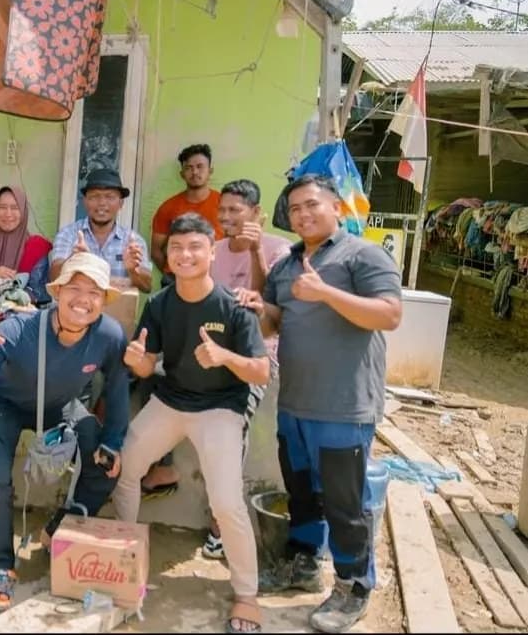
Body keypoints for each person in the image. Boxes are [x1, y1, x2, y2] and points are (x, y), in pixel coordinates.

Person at [245, 174, 403, 634]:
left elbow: (390, 314)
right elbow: (274, 325)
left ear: (336, 207)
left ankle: (354, 585)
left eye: (312, 205)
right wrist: (259, 308)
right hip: (295, 403)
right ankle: (304, 565)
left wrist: (327, 293)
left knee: (344, 503)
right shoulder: (288, 264)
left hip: (345, 406)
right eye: (294, 209)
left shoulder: (363, 255)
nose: (303, 214)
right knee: (301, 493)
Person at [113, 213, 269, 634]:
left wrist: (225, 358)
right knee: (126, 468)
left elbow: (260, 371)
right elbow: (147, 366)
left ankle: (247, 595)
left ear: (212, 252)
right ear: (168, 257)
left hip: (220, 409)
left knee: (226, 501)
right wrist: (138, 361)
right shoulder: (161, 303)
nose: (185, 254)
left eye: (195, 246)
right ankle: (127, 557)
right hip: (171, 401)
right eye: (177, 248)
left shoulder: (233, 306)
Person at [0, 252, 129, 612]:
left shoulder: (109, 334)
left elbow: (118, 387)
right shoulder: (19, 329)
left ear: (103, 301)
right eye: (74, 288)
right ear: (57, 293)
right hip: (4, 405)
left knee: (107, 465)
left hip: (60, 406)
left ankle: (56, 531)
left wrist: (113, 440)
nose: (83, 299)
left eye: (94, 293)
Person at [140, 179, 292, 555]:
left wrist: (255, 251)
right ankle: (164, 466)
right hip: (199, 352)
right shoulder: (212, 249)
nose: (225, 217)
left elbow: (265, 311)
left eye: (235, 211)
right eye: (222, 210)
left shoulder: (278, 249)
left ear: (257, 214)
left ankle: (220, 521)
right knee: (150, 380)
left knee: (233, 423)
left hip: (249, 357)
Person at [50, 169, 152, 293]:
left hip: (118, 311)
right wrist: (73, 260)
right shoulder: (69, 234)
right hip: (78, 308)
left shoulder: (133, 241)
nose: (102, 203)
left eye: (110, 197)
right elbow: (53, 278)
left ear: (121, 203)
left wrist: (132, 271)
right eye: (95, 196)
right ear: (85, 201)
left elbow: (146, 287)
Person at [151, 143, 224, 277]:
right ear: (182, 174)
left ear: (210, 171)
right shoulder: (168, 207)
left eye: (200, 167)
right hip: (176, 279)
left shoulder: (223, 204)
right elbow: (156, 251)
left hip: (216, 277)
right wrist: (171, 273)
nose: (195, 172)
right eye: (189, 168)